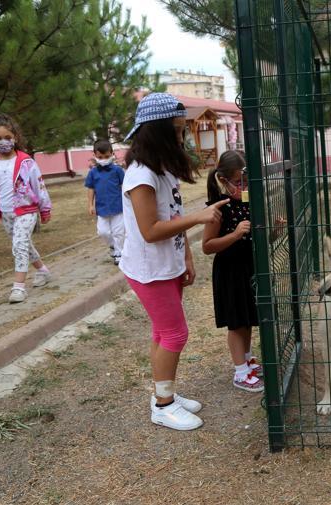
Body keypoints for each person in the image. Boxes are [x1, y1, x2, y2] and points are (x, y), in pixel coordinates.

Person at [120, 92, 229, 431]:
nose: (181, 137)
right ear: (157, 132)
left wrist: (186, 258)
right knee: (174, 334)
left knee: (163, 333)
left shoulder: (162, 170)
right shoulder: (141, 175)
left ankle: (163, 393)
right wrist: (200, 218)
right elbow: (151, 230)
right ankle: (163, 406)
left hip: (167, 265)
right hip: (149, 270)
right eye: (178, 130)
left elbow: (173, 215)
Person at [202, 151, 276, 392]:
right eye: (239, 182)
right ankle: (240, 372)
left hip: (249, 268)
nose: (244, 187)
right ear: (223, 180)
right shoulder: (218, 209)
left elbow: (258, 238)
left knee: (247, 319)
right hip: (230, 272)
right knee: (236, 324)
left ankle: (248, 360)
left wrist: (274, 230)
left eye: (247, 181)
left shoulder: (247, 202)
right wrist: (234, 234)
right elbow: (207, 246)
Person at [0, 114, 52, 304]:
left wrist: (44, 209)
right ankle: (43, 271)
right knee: (25, 245)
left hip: (26, 211)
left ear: (15, 138)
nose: (3, 141)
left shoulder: (26, 162)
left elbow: (39, 185)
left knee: (19, 245)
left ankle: (18, 288)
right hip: (6, 214)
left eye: (7, 137)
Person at [85, 139, 126, 263]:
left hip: (118, 207)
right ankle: (112, 245)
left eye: (107, 156)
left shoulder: (117, 170)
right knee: (103, 232)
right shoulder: (93, 173)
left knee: (119, 232)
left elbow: (124, 186)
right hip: (102, 208)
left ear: (112, 154)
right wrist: (90, 205)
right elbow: (91, 188)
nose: (103, 159)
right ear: (95, 155)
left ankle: (119, 253)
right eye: (100, 157)